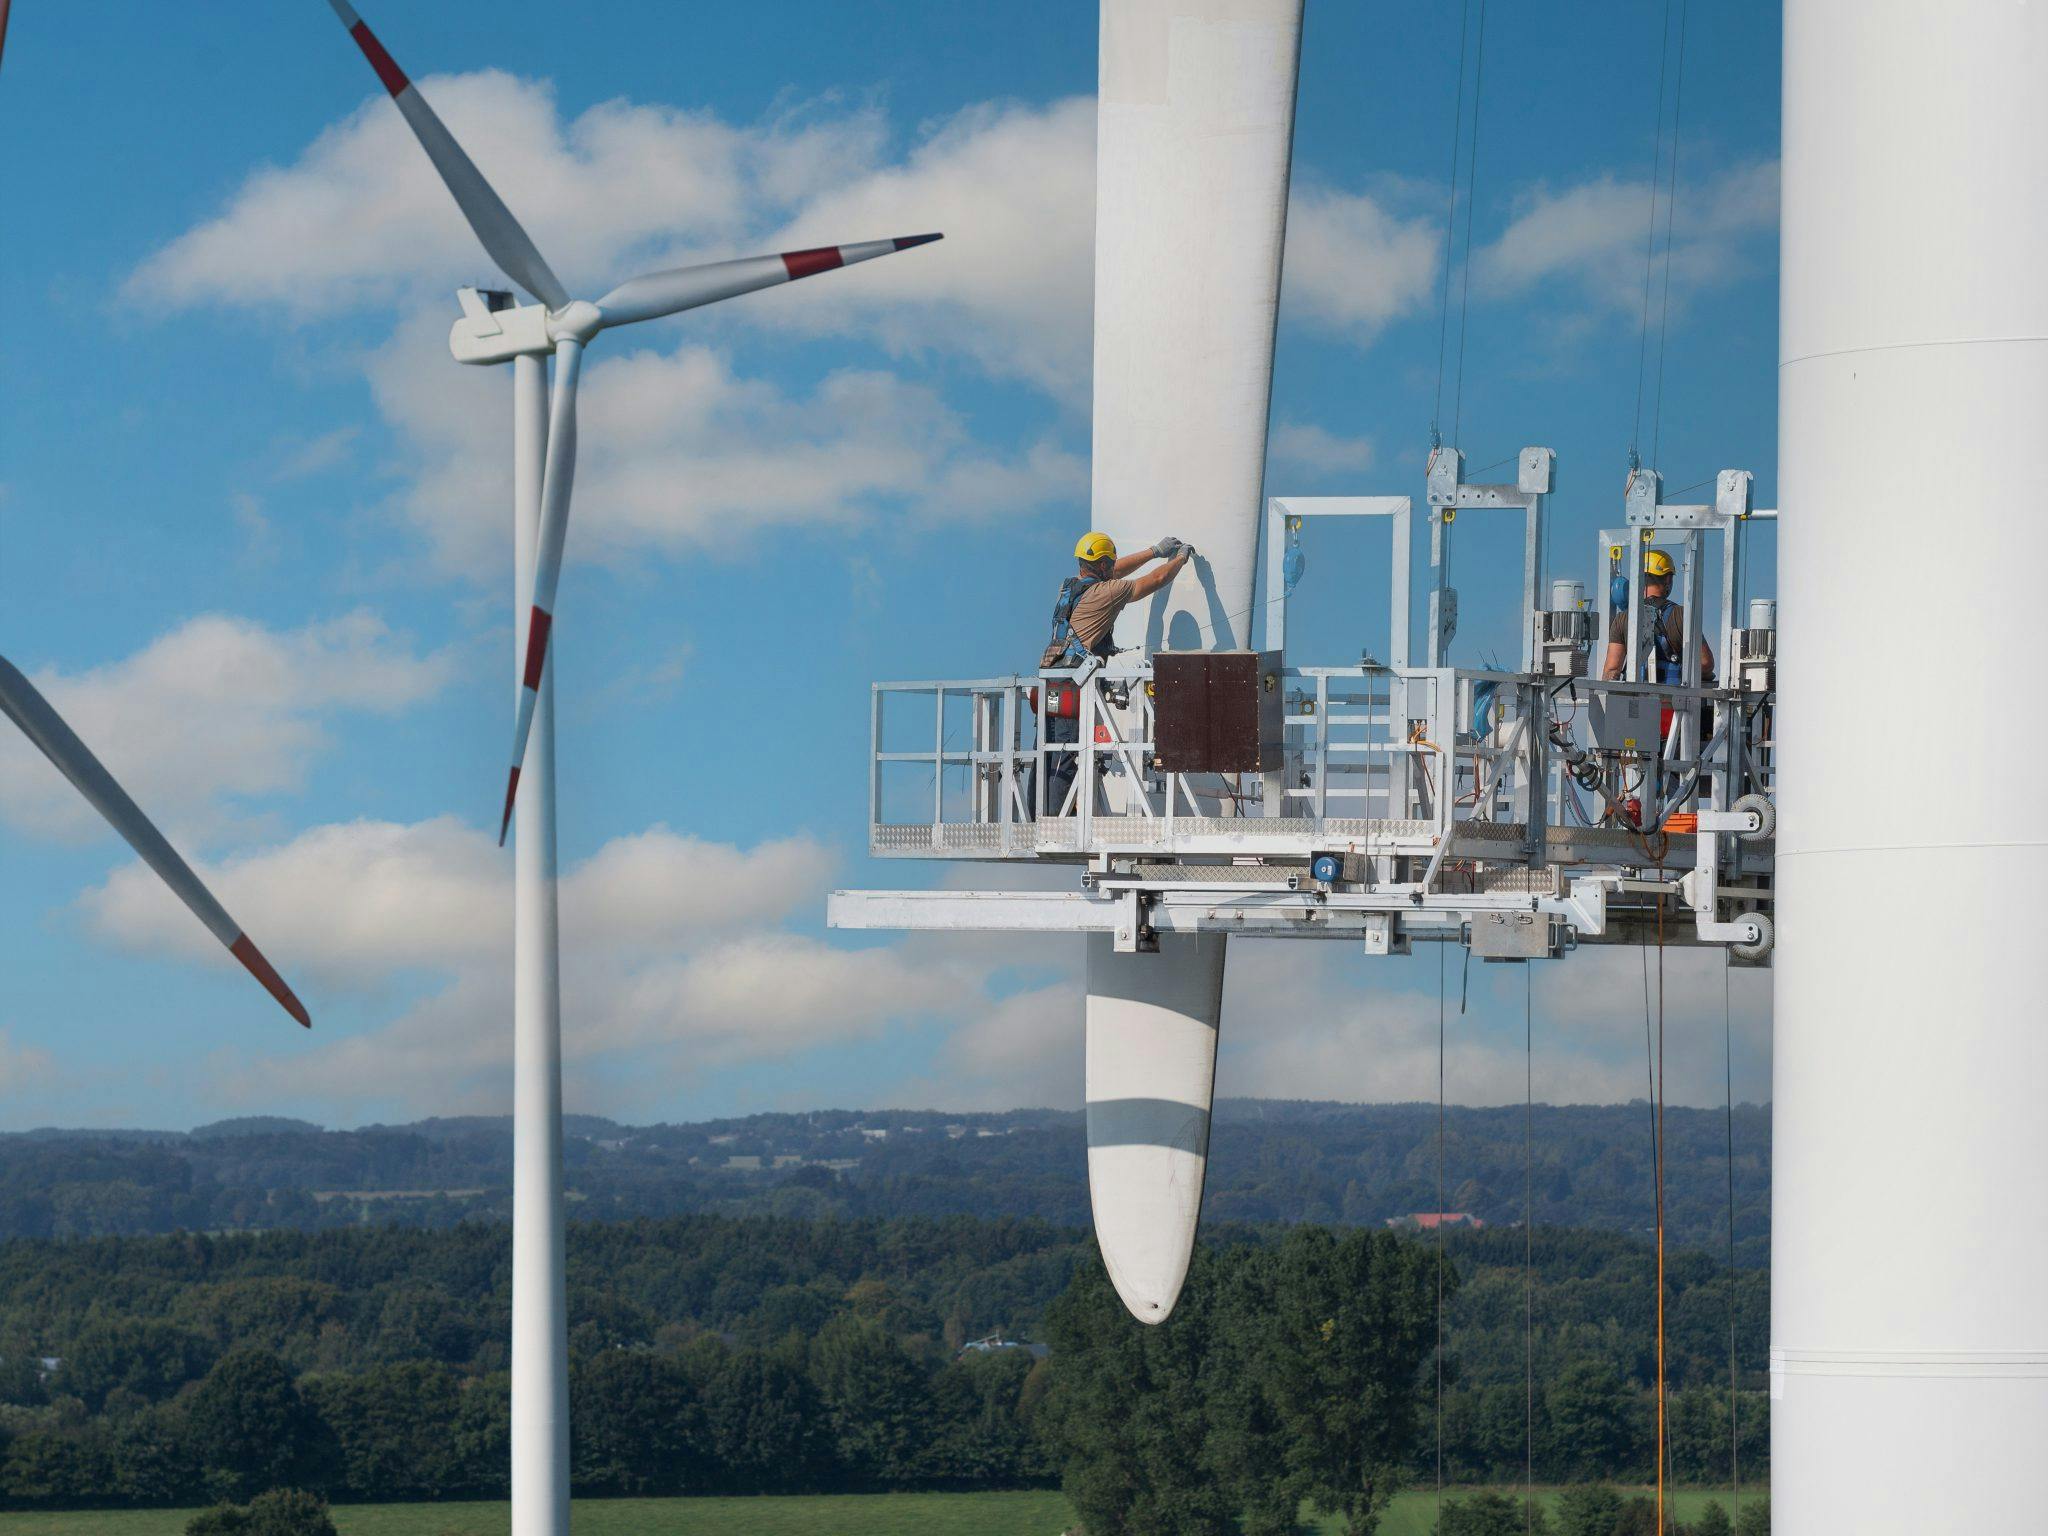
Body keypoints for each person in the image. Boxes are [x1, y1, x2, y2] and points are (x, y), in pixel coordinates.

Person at [1033, 531, 1193, 815]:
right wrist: (1179, 559)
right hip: (1073, 683)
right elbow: (1154, 581)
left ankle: (1038, 815)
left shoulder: (1068, 587)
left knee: (1045, 749)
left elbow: (1112, 570)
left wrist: (1154, 551)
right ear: (1104, 565)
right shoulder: (1109, 592)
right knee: (1065, 752)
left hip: (1048, 680)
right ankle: (1056, 818)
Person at [1603, 549, 1715, 683]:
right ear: (1668, 579)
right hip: (1674, 700)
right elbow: (1706, 663)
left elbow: (1612, 670)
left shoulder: (1623, 618)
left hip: (1635, 699)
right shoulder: (1681, 615)